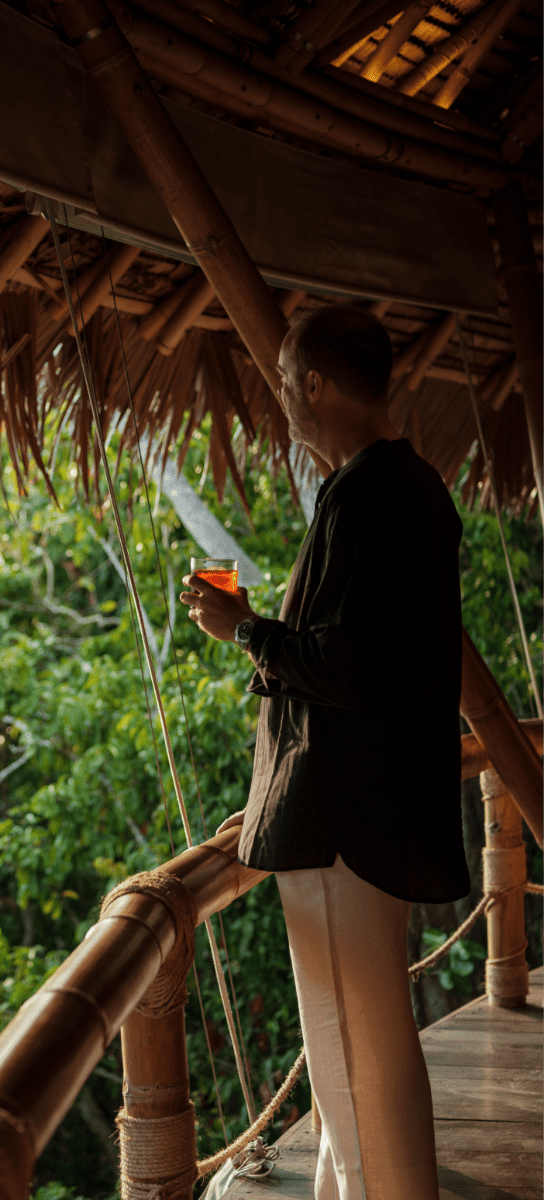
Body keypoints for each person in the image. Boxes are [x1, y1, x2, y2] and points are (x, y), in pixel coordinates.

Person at [179, 304, 469, 1200]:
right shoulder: (415, 489)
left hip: (346, 822)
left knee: (353, 1058)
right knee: (368, 1054)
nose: (285, 406)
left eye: (284, 385)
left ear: (314, 383)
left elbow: (350, 667)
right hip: (374, 815)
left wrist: (245, 630)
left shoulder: (366, 493)